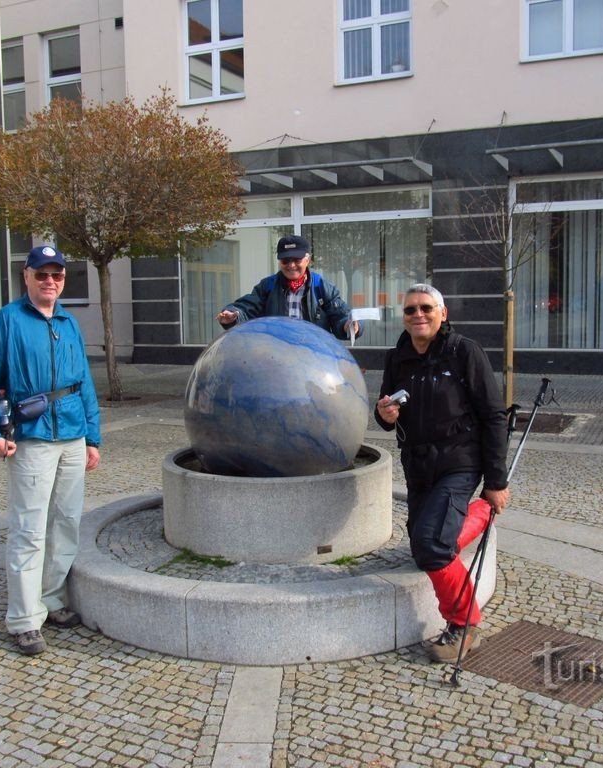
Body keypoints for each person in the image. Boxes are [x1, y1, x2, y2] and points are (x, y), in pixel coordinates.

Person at [0, 244, 102, 656]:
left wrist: (93, 436)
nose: (50, 281)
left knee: (66, 523)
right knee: (29, 530)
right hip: (32, 437)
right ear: (26, 276)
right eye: (41, 274)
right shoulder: (8, 321)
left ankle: (52, 599)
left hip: (72, 435)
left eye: (56, 275)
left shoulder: (68, 321)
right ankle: (25, 619)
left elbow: (84, 382)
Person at [374, 283, 510, 663]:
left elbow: (493, 417)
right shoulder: (397, 358)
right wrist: (384, 414)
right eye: (410, 310)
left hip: (459, 462)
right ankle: (480, 513)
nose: (418, 315)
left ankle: (463, 624)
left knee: (433, 546)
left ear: (442, 314)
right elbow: (384, 415)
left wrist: (496, 482)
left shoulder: (464, 352)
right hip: (418, 466)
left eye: (426, 308)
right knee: (424, 550)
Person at [215, 234, 361, 339]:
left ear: (307, 260)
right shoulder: (268, 286)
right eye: (285, 260)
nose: (291, 265)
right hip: (278, 357)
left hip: (314, 357)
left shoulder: (321, 287)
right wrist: (233, 315)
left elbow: (341, 315)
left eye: (297, 260)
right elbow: (246, 307)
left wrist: (349, 326)